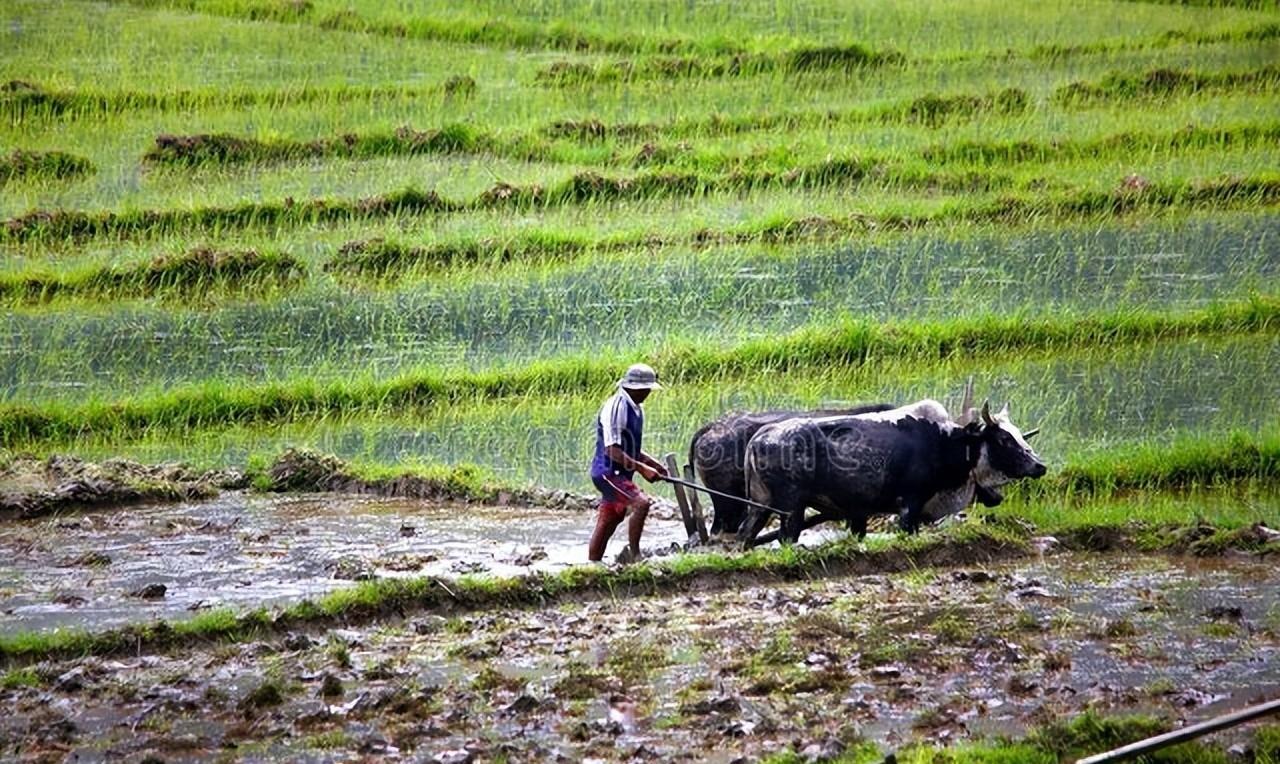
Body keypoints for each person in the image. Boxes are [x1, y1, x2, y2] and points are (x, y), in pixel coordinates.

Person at [588, 363, 669, 562]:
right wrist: (642, 469)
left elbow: (630, 448)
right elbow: (612, 450)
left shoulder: (636, 409)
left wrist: (653, 464)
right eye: (647, 388)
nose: (649, 392)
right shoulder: (617, 407)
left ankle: (593, 563)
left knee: (611, 518)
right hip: (607, 472)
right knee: (641, 504)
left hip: (620, 474)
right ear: (634, 388)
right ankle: (635, 556)